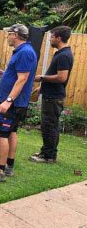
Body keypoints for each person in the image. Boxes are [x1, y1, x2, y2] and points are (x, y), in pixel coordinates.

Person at [0, 24, 37, 184]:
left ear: (16, 35)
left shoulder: (25, 52)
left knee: (1, 134)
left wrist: (8, 101)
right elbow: (18, 75)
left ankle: (0, 173)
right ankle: (8, 167)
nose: (7, 37)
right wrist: (5, 74)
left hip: (13, 103)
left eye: (9, 34)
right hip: (15, 102)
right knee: (11, 132)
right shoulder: (23, 51)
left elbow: (23, 79)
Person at [29, 26, 74, 163]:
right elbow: (55, 75)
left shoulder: (64, 55)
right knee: (48, 125)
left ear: (59, 38)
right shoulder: (61, 53)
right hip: (51, 94)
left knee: (50, 126)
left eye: (52, 37)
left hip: (54, 97)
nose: (50, 39)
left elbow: (61, 78)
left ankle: (49, 156)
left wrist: (42, 78)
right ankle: (46, 151)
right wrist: (42, 87)